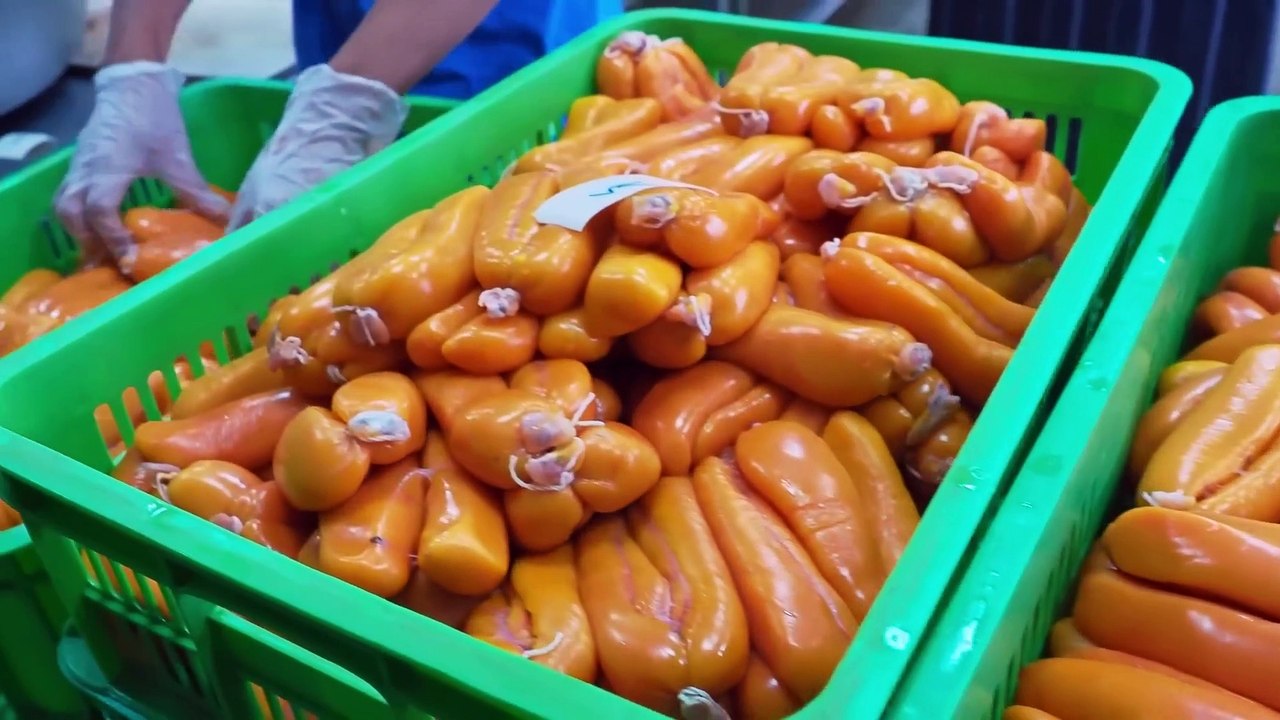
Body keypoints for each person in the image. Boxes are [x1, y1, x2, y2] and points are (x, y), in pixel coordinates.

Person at [55, 0, 623, 268]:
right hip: (342, 42)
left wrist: (345, 102)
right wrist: (134, 65)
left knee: (518, 222)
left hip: (512, 53)